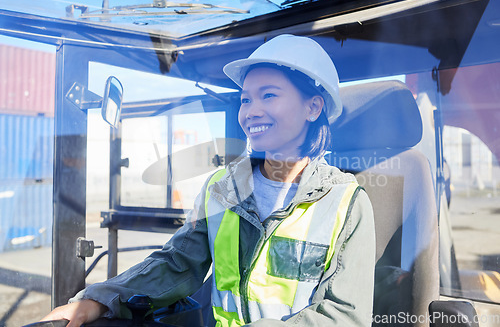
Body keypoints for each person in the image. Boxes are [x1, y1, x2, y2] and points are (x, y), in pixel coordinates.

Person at [42, 34, 375, 327]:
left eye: (269, 95)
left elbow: (343, 316)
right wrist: (98, 300)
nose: (251, 111)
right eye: (246, 99)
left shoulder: (345, 203)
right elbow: (177, 263)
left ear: (313, 107)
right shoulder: (222, 188)